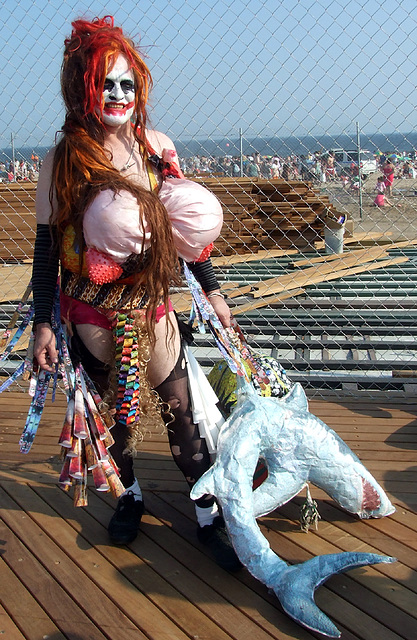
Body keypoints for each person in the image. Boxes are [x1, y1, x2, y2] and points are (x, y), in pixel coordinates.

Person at [31, 16, 242, 571]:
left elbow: (185, 231)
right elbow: (48, 250)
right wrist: (44, 323)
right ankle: (131, 497)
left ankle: (207, 513)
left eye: (127, 83)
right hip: (88, 311)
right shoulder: (63, 161)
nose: (118, 95)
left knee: (180, 409)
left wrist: (212, 292)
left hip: (151, 306)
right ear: (83, 88)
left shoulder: (157, 149)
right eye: (106, 83)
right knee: (117, 416)